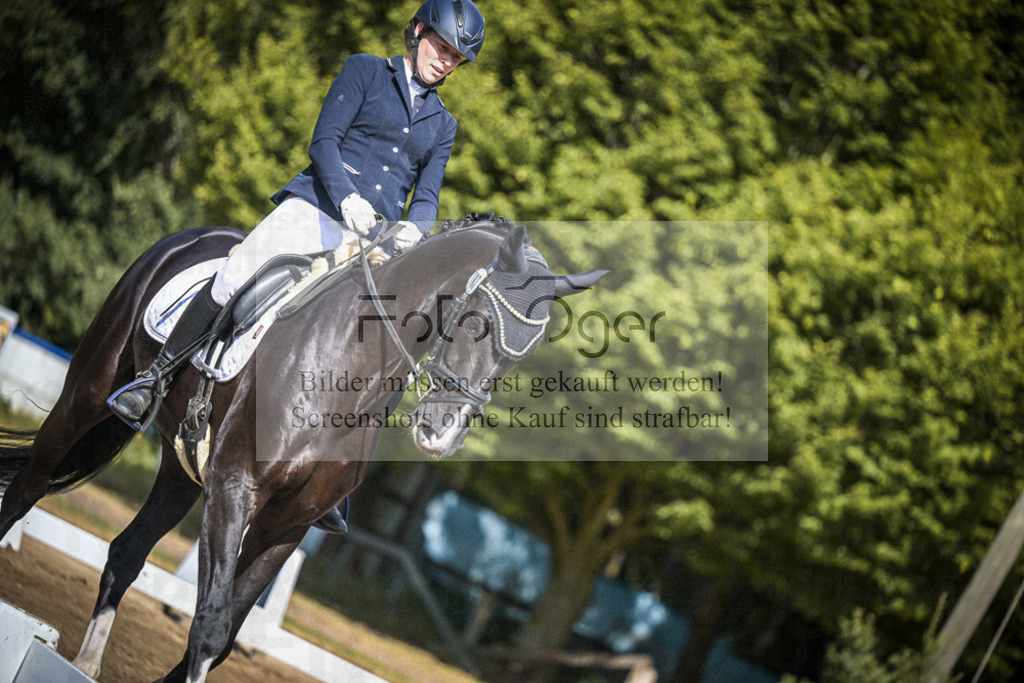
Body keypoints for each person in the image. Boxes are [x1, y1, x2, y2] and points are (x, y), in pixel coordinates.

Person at [109, 0, 485, 430]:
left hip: (374, 243)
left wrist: (416, 229)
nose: (445, 61)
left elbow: (427, 195)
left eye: (455, 58)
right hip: (316, 211)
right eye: (442, 48)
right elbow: (324, 141)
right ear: (418, 32)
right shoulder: (366, 71)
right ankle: (155, 378)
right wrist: (347, 199)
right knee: (236, 275)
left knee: (397, 338)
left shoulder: (443, 124)